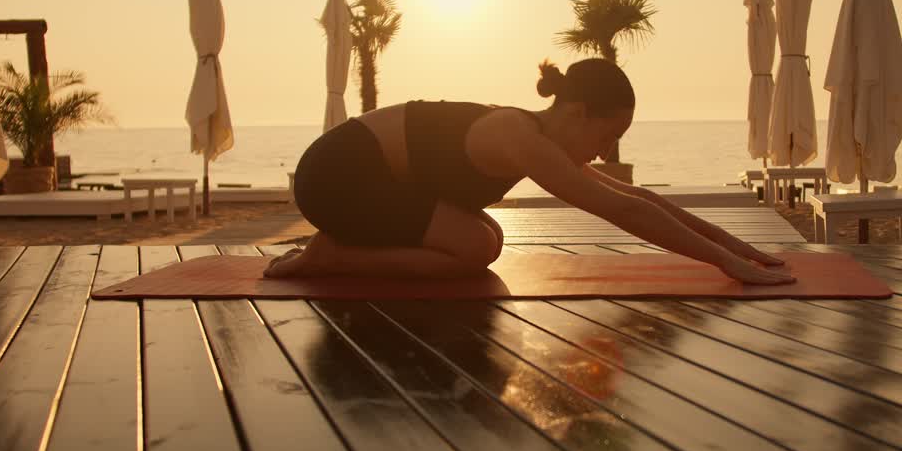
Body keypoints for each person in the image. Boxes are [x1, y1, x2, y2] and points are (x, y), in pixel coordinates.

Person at [265, 57, 794, 285]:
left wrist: (742, 252)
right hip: (337, 179)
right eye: (608, 135)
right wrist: (726, 265)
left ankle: (336, 251)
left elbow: (643, 199)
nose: (608, 150)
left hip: (369, 183)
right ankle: (331, 254)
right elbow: (620, 210)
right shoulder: (520, 137)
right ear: (576, 112)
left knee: (486, 238)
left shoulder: (534, 136)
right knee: (475, 246)